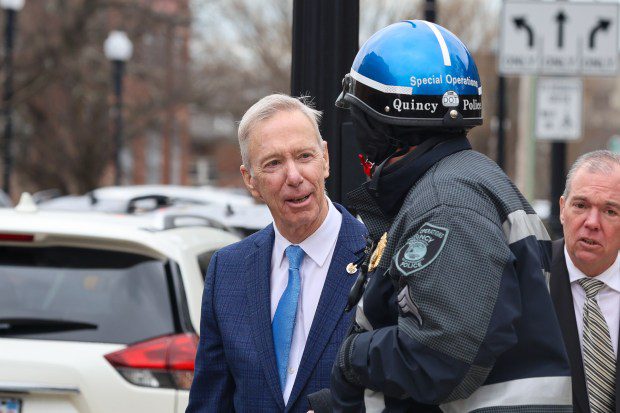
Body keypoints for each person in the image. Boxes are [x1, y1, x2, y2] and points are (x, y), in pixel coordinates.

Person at [320, 20, 572, 412]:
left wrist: (353, 357)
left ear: (380, 124)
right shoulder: (465, 181)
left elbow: (441, 354)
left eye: (360, 118)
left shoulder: (448, 202)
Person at [186, 94, 367, 413]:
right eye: (273, 163)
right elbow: (209, 402)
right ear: (250, 180)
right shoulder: (228, 270)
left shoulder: (380, 260)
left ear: (325, 159)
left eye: (304, 156)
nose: (294, 176)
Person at [550, 150, 620, 413]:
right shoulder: (527, 277)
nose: (592, 223)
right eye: (580, 205)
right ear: (562, 210)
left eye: (610, 211)